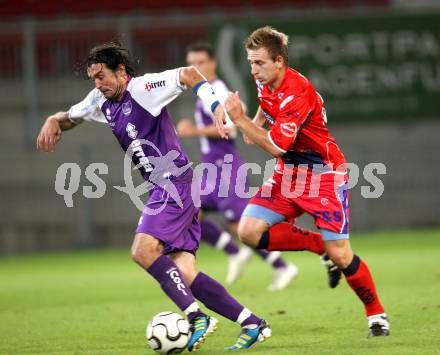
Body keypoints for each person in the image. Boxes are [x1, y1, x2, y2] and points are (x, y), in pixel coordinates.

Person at [36, 41, 272, 351]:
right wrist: (54, 119)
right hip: (169, 188)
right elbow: (72, 117)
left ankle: (195, 317)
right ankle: (252, 323)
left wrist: (215, 106)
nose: (97, 83)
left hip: (175, 185)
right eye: (93, 78)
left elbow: (189, 74)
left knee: (143, 251)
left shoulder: (145, 88)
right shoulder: (99, 99)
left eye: (102, 76)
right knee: (184, 274)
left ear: (121, 71)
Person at [218, 27, 389, 337]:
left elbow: (275, 146)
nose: (253, 70)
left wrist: (240, 120)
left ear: (279, 61)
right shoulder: (266, 82)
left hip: (324, 175)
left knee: (342, 254)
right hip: (289, 174)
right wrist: (253, 122)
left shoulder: (297, 91)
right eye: (250, 62)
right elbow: (266, 107)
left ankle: (376, 314)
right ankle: (317, 246)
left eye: (259, 63)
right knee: (249, 231)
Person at [176, 41, 298, 291]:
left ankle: (282, 266)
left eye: (200, 62)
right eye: (192, 63)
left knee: (241, 225)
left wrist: (193, 131)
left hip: (226, 168)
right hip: (212, 168)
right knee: (189, 211)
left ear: (212, 63)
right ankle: (233, 253)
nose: (195, 68)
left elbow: (231, 129)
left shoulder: (218, 89)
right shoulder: (204, 90)